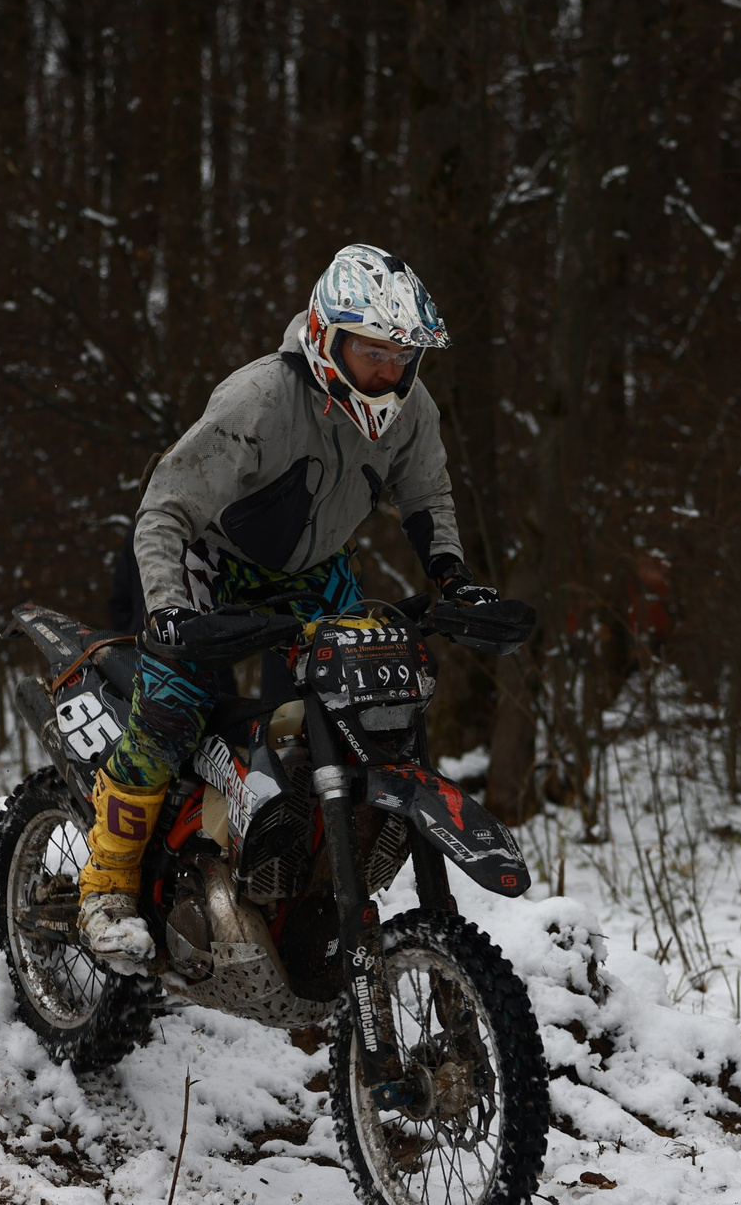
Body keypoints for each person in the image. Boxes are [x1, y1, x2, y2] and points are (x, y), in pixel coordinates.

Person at [75, 243, 498, 968]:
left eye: (405, 355)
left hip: (314, 569)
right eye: (374, 353)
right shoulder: (260, 398)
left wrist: (452, 578)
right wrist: (170, 606)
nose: (391, 371)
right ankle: (106, 886)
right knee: (171, 706)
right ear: (329, 339)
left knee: (374, 694)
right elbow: (164, 511)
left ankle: (302, 878)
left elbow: (426, 495)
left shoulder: (409, 406)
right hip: (209, 560)